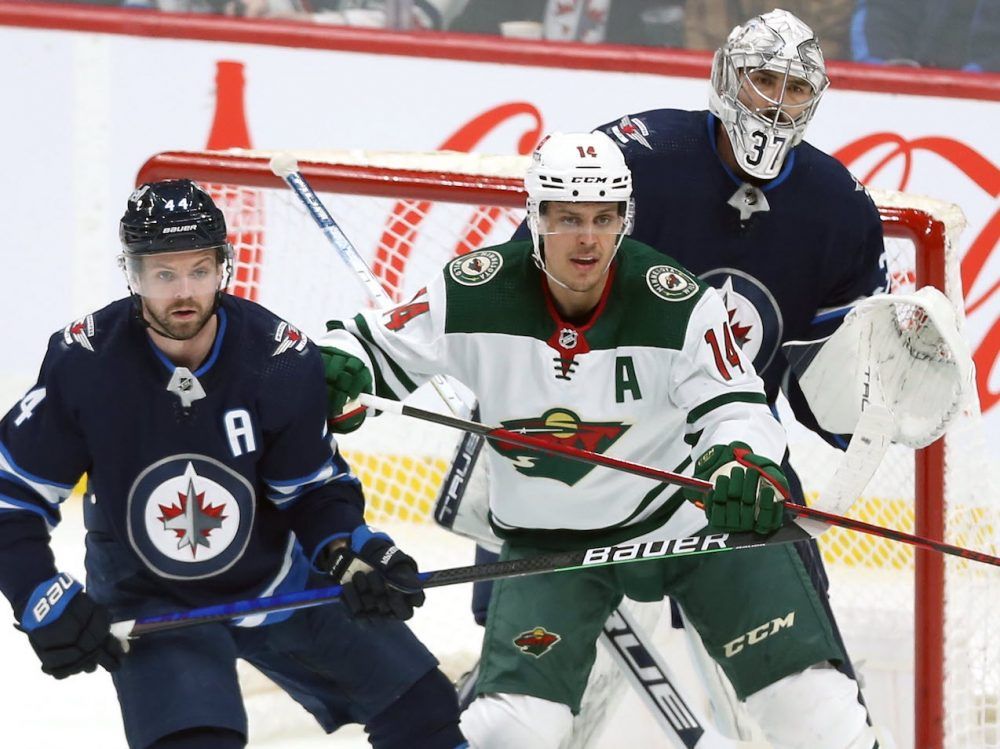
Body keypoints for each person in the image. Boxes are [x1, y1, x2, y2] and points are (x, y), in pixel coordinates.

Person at [319, 131, 880, 748]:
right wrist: (342, 371)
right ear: (535, 218)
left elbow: (736, 403)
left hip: (691, 530)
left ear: (624, 220)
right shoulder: (476, 290)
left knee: (818, 715)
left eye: (604, 218)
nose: (587, 238)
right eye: (567, 219)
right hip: (551, 545)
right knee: (513, 730)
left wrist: (739, 462)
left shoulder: (677, 302)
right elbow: (368, 346)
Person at [0, 180, 466, 749]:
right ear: (132, 275)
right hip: (152, 600)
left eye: (199, 270)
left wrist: (350, 552)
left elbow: (312, 492)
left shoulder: (279, 359)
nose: (184, 293)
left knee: (426, 710)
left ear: (225, 266)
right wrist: (38, 594)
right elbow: (11, 499)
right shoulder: (85, 364)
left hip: (279, 583)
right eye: (162, 274)